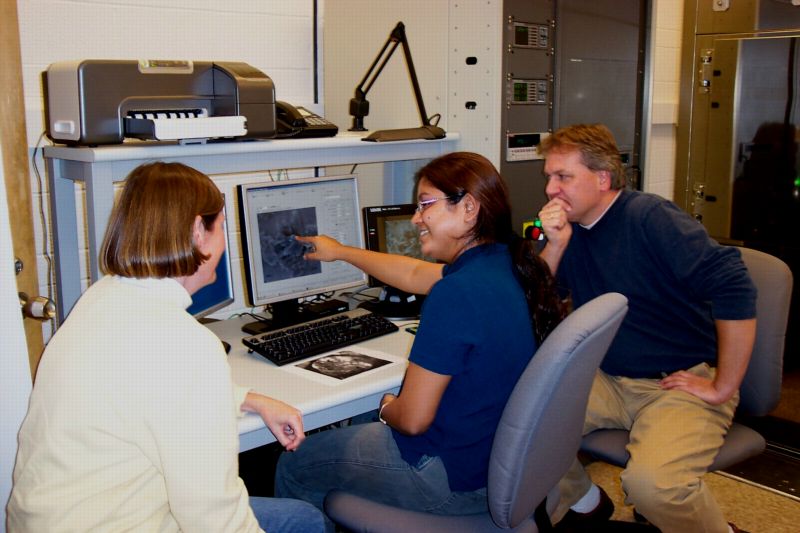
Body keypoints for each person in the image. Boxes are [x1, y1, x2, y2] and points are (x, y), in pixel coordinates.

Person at [8, 162, 325, 533]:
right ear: (196, 232)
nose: (223, 241)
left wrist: (247, 398)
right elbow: (213, 517)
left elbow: (139, 391)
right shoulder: (185, 345)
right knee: (304, 521)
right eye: (220, 227)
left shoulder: (102, 298)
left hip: (53, 520)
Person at [274, 152, 566, 522]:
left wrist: (386, 406)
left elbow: (412, 420)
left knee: (294, 463)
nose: (415, 218)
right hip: (498, 463)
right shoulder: (506, 263)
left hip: (449, 480)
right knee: (354, 421)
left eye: (425, 205)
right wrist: (340, 252)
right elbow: (413, 274)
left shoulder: (456, 293)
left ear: (469, 208)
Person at [536, 124, 757, 533]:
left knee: (654, 487)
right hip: (607, 376)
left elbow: (734, 283)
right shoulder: (569, 231)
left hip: (677, 380)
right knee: (517, 425)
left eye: (562, 176)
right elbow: (537, 299)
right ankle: (585, 504)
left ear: (602, 178)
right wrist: (555, 245)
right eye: (549, 177)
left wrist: (723, 386)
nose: (551, 189)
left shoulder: (649, 217)